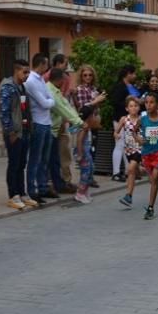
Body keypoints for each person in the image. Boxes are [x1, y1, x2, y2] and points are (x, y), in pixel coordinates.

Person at [0, 59, 36, 210]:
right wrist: (10, 131)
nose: (27, 75)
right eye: (24, 72)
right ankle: (13, 195)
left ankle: (21, 193)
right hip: (14, 133)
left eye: (28, 72)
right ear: (16, 71)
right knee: (14, 164)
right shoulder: (8, 87)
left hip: (24, 131)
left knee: (21, 164)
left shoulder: (21, 87)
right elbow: (4, 111)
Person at [24, 53, 56, 203]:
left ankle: (43, 187)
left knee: (44, 158)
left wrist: (50, 101)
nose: (47, 67)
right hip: (38, 123)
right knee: (35, 158)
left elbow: (51, 98)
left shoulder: (41, 79)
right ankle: (32, 189)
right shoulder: (31, 81)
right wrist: (50, 102)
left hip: (46, 122)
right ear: (41, 64)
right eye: (46, 64)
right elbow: (45, 102)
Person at [47, 67, 82, 195]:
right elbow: (62, 108)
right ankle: (54, 185)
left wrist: (77, 120)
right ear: (60, 79)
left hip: (57, 129)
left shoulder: (56, 91)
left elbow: (66, 106)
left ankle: (60, 184)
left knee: (56, 159)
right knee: (52, 160)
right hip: (51, 129)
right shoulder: (51, 91)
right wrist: (79, 122)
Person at [136, 94, 158, 220]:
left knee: (155, 177)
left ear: (157, 104)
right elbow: (134, 130)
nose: (148, 105)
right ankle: (151, 206)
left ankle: (150, 207)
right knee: (153, 180)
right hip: (147, 153)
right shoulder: (143, 118)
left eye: (151, 102)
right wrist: (138, 139)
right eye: (146, 102)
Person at [109, 65, 139, 181]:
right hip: (120, 118)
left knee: (126, 145)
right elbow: (115, 102)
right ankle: (116, 173)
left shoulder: (128, 86)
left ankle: (128, 171)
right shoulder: (120, 87)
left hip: (127, 119)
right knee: (119, 145)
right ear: (128, 74)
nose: (135, 76)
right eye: (133, 73)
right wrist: (129, 103)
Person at [116, 96, 143, 209]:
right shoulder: (124, 119)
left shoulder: (142, 119)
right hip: (128, 149)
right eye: (131, 106)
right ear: (127, 108)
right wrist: (116, 135)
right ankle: (142, 171)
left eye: (136, 106)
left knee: (130, 170)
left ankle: (128, 196)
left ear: (139, 107)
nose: (133, 108)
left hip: (139, 148)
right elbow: (116, 131)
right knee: (135, 171)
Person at [74, 104, 100, 204]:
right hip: (83, 153)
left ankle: (85, 191)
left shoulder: (87, 127)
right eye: (93, 116)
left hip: (87, 152)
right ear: (89, 117)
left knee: (90, 170)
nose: (94, 118)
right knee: (85, 173)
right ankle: (80, 194)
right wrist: (80, 155)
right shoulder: (84, 127)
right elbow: (79, 140)